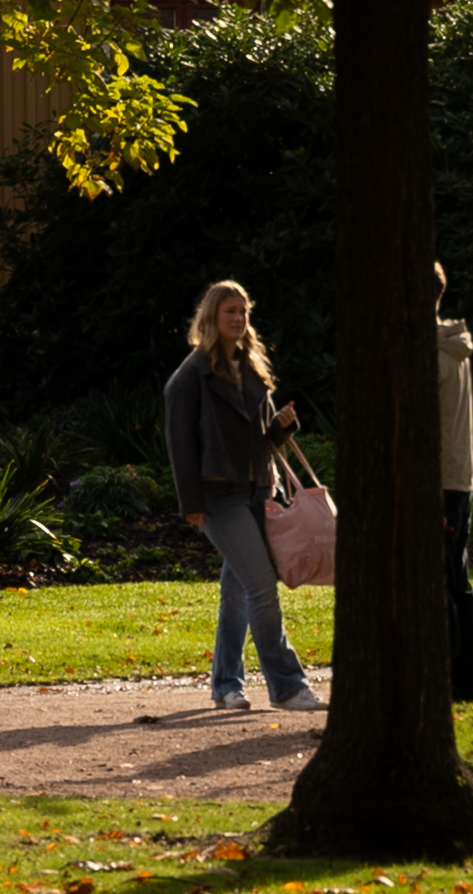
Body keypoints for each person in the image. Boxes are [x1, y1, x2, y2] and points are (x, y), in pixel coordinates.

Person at [164, 278, 322, 712]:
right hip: (220, 497)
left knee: (236, 594)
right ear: (211, 316)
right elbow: (180, 442)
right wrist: (191, 502)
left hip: (259, 493)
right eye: (230, 311)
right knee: (261, 585)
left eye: (243, 311)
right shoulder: (192, 374)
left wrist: (282, 427)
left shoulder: (251, 368)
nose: (238, 318)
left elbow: (261, 442)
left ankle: (225, 686)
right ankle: (288, 687)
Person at [435, 261, 473, 702]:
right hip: (458, 478)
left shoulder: (433, 356)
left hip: (440, 482)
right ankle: (467, 680)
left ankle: (457, 681)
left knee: (443, 583)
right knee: (457, 580)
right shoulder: (453, 346)